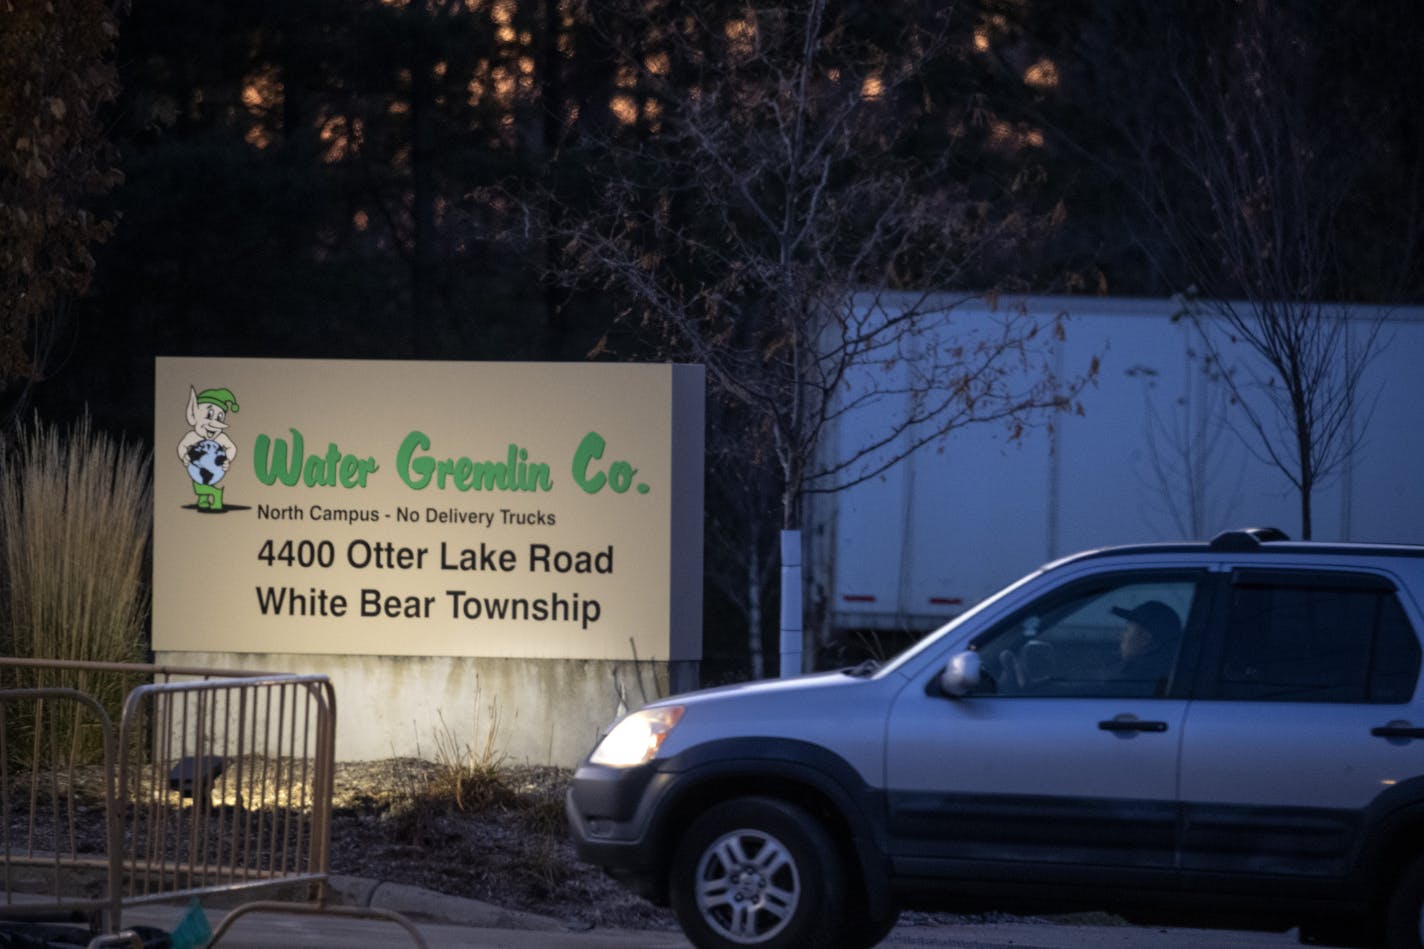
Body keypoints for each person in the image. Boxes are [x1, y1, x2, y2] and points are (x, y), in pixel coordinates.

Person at [1109, 600, 1182, 690]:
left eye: (1127, 630)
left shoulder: (1134, 680)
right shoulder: (1168, 672)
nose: (1120, 637)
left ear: (1146, 639)